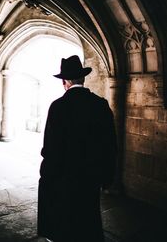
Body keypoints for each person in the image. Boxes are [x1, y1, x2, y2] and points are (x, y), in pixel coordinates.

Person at [37, 55, 117, 242]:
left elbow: (51, 147)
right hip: (92, 174)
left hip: (65, 175)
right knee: (89, 215)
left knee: (66, 217)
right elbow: (110, 144)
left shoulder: (58, 106)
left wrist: (47, 173)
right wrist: (107, 175)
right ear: (82, 78)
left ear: (65, 82)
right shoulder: (100, 104)